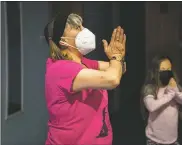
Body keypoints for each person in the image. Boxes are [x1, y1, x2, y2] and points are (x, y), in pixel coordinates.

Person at [44, 13, 126, 145]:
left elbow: (120, 68)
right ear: (62, 40)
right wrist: (116, 57)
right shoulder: (61, 69)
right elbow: (113, 78)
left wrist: (117, 57)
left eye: (82, 26)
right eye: (77, 27)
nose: (84, 30)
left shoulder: (83, 63)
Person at [140, 55, 182, 145]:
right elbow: (151, 106)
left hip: (173, 141)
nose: (166, 72)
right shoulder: (150, 87)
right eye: (163, 69)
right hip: (154, 141)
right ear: (156, 70)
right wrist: (170, 95)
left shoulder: (174, 87)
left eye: (169, 69)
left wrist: (175, 91)